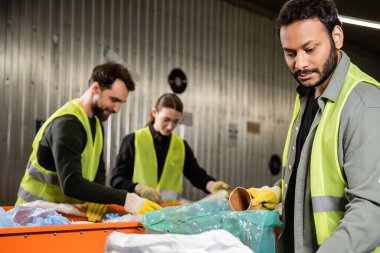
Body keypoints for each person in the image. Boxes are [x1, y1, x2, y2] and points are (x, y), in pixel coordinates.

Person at [246, 0, 380, 252]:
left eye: (310, 48)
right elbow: (314, 173)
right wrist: (276, 192)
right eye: (290, 53)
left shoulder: (364, 105)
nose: (300, 64)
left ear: (337, 37)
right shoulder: (308, 97)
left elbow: (372, 209)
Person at [16, 62, 162, 216]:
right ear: (95, 88)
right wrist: (126, 198)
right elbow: (71, 183)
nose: (117, 109)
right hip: (32, 217)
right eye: (114, 100)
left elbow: (99, 172)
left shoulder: (96, 124)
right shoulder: (67, 124)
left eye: (121, 103)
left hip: (61, 217)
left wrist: (98, 199)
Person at [111, 93, 230, 204]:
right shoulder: (133, 140)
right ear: (154, 112)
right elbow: (117, 179)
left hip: (168, 216)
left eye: (175, 121)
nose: (170, 126)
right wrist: (138, 188)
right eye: (166, 120)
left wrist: (212, 185)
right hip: (138, 213)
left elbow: (196, 175)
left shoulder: (181, 145)